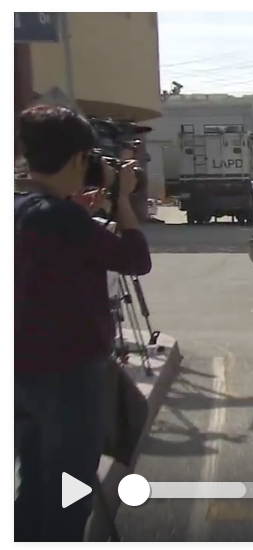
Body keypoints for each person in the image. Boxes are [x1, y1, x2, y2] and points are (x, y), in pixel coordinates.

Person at [14, 104, 152, 542]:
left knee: (33, 482)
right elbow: (135, 258)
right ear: (77, 158)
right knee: (71, 490)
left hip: (19, 375)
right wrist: (123, 201)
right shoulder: (64, 219)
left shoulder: (21, 208)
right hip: (70, 379)